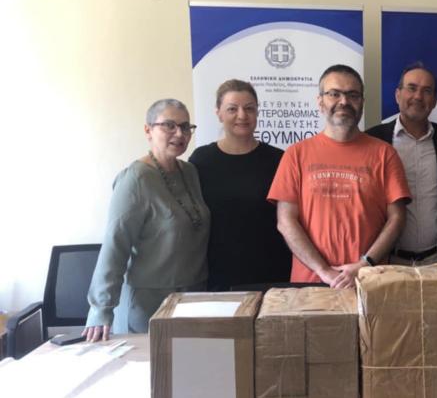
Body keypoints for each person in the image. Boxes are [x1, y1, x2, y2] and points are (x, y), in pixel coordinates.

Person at [267, 65, 410, 288]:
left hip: (368, 282)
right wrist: (323, 271)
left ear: (362, 102)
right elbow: (285, 222)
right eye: (334, 94)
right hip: (311, 284)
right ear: (320, 101)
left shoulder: (385, 154)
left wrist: (365, 264)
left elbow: (397, 218)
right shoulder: (295, 154)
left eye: (353, 95)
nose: (344, 101)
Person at [84, 99, 210, 340]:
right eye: (169, 125)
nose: (179, 134)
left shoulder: (189, 172)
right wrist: (101, 308)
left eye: (185, 127)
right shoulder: (135, 179)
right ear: (148, 130)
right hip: (148, 303)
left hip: (193, 297)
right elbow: (115, 244)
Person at [189, 79, 291, 291]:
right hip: (217, 272)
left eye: (249, 108)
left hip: (273, 270)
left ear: (257, 112)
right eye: (232, 109)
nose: (242, 115)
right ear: (218, 113)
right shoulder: (201, 160)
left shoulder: (278, 159)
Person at [366, 63, 437, 265]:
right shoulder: (372, 141)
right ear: (398, 95)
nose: (418, 97)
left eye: (427, 91)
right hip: (387, 262)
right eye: (411, 88)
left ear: (435, 100)